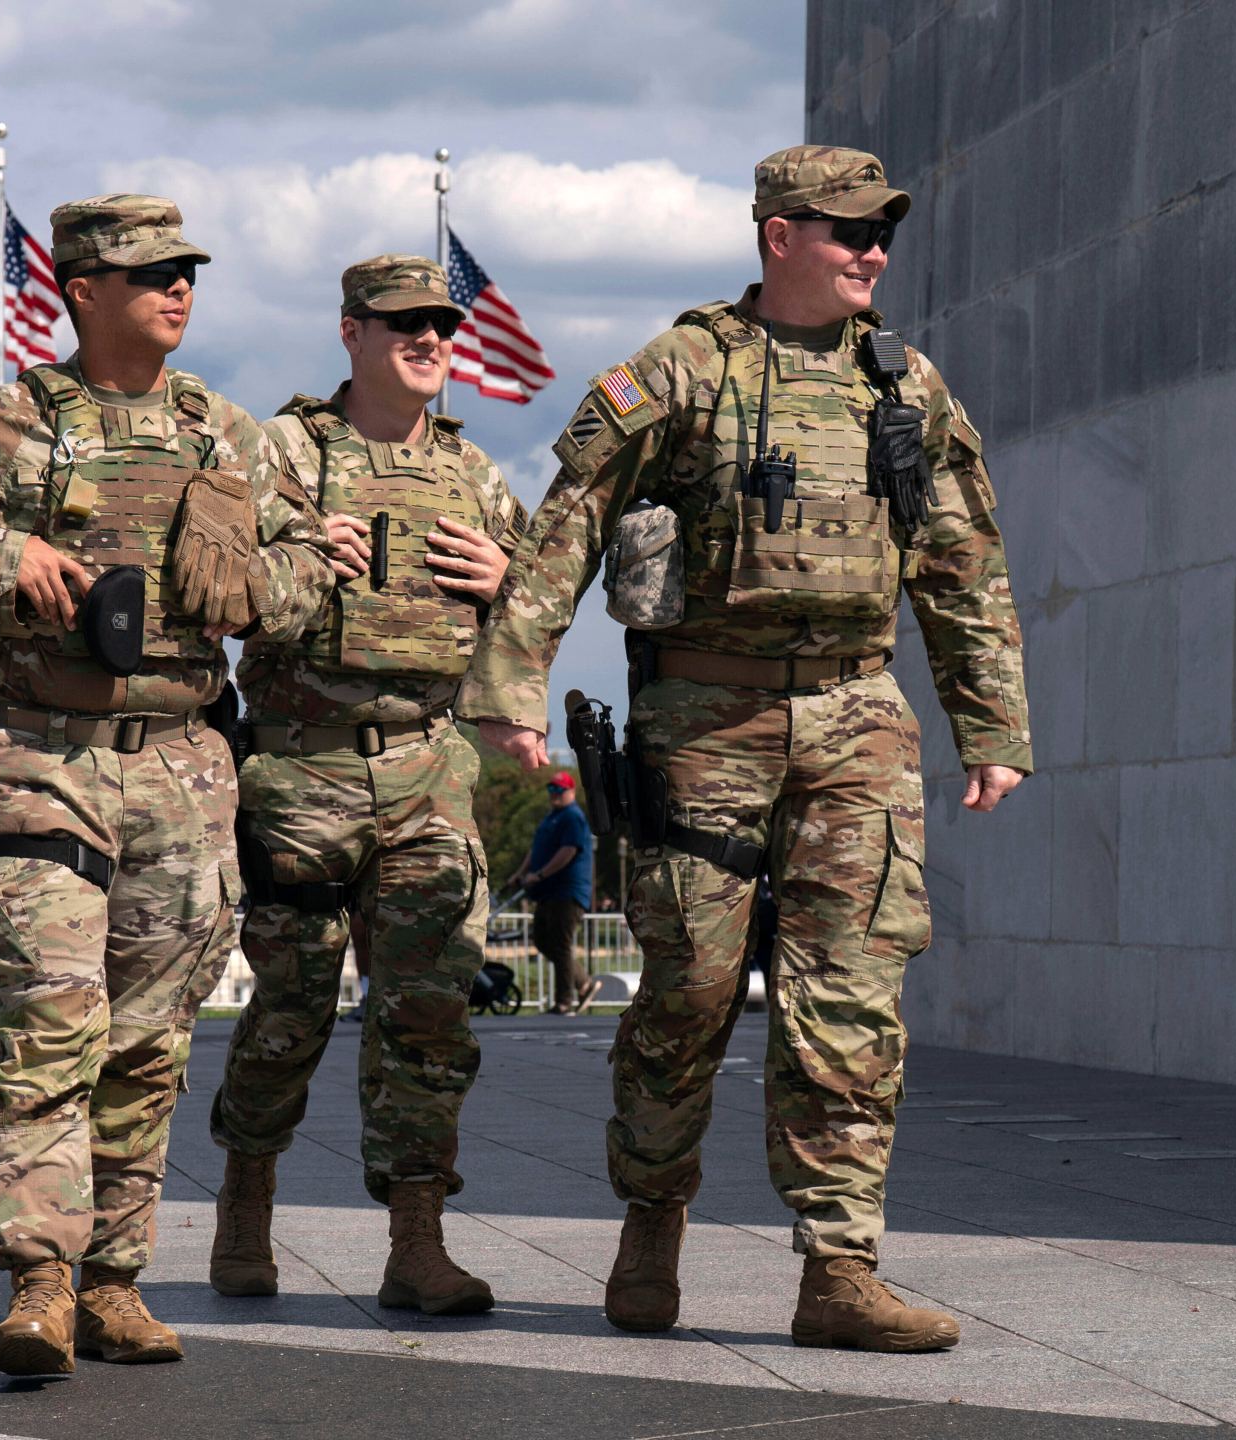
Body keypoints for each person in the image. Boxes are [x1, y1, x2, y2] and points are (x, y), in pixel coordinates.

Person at [462, 146, 1031, 1353]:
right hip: (701, 723)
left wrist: (990, 724)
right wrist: (513, 678)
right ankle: (649, 1227)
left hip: (856, 716)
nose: (871, 251)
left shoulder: (905, 387)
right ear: (778, 236)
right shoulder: (683, 369)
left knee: (852, 999)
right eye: (846, 232)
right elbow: (569, 520)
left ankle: (839, 1270)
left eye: (881, 233)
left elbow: (962, 561)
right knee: (689, 992)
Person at [0, 195, 334, 1376]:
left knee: (149, 1042)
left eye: (186, 271)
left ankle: (115, 1279)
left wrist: (262, 588)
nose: (179, 289)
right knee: (52, 1021)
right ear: (80, 289)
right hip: (36, 755)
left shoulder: (232, 434)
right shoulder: (5, 425)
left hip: (182, 763)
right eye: (151, 272)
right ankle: (38, 1280)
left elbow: (316, 569)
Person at [207, 254, 524, 1316]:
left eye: (441, 323)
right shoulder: (283, 452)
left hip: (430, 765)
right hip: (301, 765)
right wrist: (293, 556)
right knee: (289, 1010)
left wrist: (505, 582)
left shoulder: (475, 472)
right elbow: (217, 590)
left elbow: (536, 609)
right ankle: (245, 1209)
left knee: (429, 1014)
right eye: (404, 324)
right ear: (351, 333)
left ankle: (416, 1244)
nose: (430, 340)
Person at [513, 773, 595, 1014]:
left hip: (566, 890)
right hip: (547, 891)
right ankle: (584, 983)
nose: (554, 794)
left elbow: (568, 851)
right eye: (552, 789)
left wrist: (540, 874)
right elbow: (535, 850)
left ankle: (564, 1001)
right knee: (542, 940)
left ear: (571, 791)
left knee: (560, 944)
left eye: (559, 790)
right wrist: (520, 873)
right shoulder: (551, 817)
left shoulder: (573, 817)